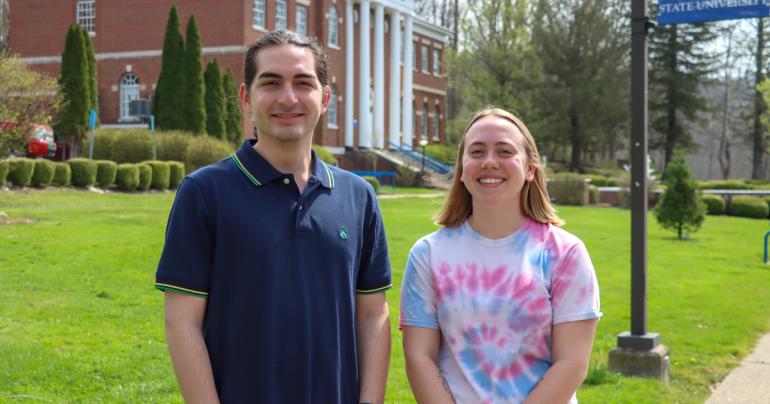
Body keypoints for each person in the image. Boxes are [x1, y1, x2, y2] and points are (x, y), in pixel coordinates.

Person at [155, 30, 392, 403]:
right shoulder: (204, 192)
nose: (288, 98)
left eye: (303, 83)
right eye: (271, 83)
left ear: (325, 98)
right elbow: (182, 322)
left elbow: (373, 317)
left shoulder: (358, 197)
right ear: (246, 98)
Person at [400, 107, 601, 403]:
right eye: (477, 152)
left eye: (505, 151)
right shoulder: (427, 255)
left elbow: (572, 364)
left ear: (530, 169)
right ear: (462, 169)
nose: (490, 162)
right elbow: (419, 357)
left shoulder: (565, 254)